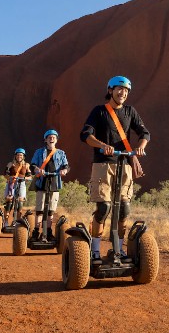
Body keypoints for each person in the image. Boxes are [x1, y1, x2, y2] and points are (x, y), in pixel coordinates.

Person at [79, 76, 150, 262]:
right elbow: (86, 134)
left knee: (124, 208)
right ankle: (95, 250)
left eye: (126, 90)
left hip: (124, 164)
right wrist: (102, 145)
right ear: (110, 90)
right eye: (119, 89)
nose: (123, 93)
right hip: (103, 163)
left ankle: (118, 249)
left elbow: (144, 133)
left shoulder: (130, 111)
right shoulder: (99, 111)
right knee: (104, 207)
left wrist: (141, 146)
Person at [29, 129, 69, 241]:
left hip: (55, 182)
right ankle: (36, 232)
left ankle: (48, 232)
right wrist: (37, 169)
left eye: (54, 137)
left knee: (51, 209)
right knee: (40, 209)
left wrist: (64, 170)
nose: (51, 138)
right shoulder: (39, 152)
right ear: (45, 140)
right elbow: (32, 165)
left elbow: (66, 165)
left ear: (56, 140)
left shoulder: (61, 153)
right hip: (42, 181)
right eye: (49, 137)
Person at [4, 148, 30, 224]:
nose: (19, 156)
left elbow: (30, 176)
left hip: (21, 183)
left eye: (21, 155)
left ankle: (18, 221)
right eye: (18, 155)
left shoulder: (26, 165)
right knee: (9, 199)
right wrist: (10, 177)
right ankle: (6, 221)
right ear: (15, 156)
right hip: (11, 183)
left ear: (23, 156)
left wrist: (25, 178)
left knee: (20, 200)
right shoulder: (10, 164)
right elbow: (5, 174)